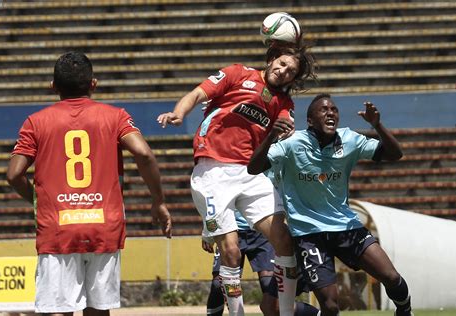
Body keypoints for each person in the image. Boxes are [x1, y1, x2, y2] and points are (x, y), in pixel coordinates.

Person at [6, 52, 172, 316]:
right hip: (103, 224)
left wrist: (39, 201)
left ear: (53, 86)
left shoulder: (35, 122)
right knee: (98, 309)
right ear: (93, 84)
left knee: (57, 310)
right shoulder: (116, 116)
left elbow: (14, 174)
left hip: (58, 227)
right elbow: (143, 154)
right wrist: (158, 200)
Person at [158, 43, 317, 315]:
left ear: (293, 79)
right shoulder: (236, 74)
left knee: (284, 240)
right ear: (271, 60)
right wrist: (179, 112)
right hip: (212, 172)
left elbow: (285, 129)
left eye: (290, 71)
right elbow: (198, 93)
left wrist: (285, 132)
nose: (283, 71)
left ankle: (287, 313)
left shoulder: (284, 103)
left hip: (250, 174)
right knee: (230, 252)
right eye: (281, 64)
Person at [248, 94, 413, 316]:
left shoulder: (350, 140)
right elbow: (253, 167)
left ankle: (404, 310)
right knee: (330, 305)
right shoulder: (292, 144)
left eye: (334, 110)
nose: (330, 113)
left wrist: (377, 125)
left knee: (391, 277)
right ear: (310, 120)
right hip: (309, 235)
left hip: (347, 228)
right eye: (324, 110)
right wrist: (271, 136)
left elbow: (395, 154)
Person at [204, 211, 320, 316]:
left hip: (260, 229)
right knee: (218, 284)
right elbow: (211, 198)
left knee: (270, 293)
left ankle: (318, 314)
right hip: (228, 230)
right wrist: (207, 229)